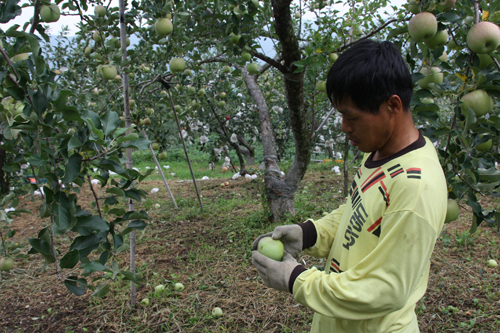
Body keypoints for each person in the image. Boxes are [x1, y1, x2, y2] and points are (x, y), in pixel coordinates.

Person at [251, 39, 447, 333]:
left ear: (392, 105)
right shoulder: (379, 154)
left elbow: (385, 289)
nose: (344, 127)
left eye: (351, 116)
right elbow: (358, 213)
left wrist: (296, 279)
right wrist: (309, 234)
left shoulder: (416, 187)